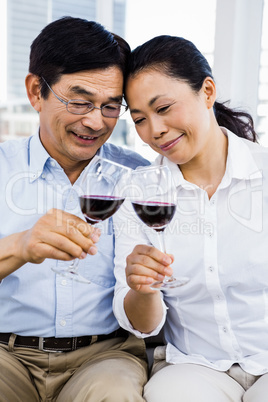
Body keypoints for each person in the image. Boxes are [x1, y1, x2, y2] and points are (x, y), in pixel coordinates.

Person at [0, 17, 150, 402]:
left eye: (111, 106)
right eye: (80, 102)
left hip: (105, 356)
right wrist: (20, 246)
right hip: (5, 354)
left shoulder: (141, 178)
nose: (96, 122)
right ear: (36, 92)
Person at [113, 34, 268, 402]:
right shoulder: (139, 192)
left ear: (207, 91)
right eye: (139, 119)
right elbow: (143, 325)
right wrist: (142, 288)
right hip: (193, 366)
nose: (154, 131)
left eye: (164, 108)